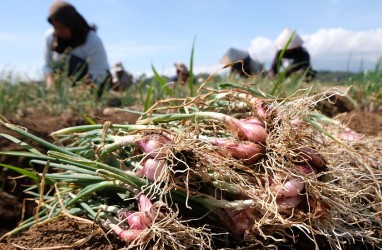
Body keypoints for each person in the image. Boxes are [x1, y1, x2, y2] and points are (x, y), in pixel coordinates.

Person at [43, 1, 111, 97]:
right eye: (55, 26)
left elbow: (99, 74)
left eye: (62, 27)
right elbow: (48, 66)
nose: (58, 31)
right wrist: (51, 86)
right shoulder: (50, 37)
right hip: (64, 88)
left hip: (89, 88)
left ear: (71, 23)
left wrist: (75, 93)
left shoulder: (92, 41)